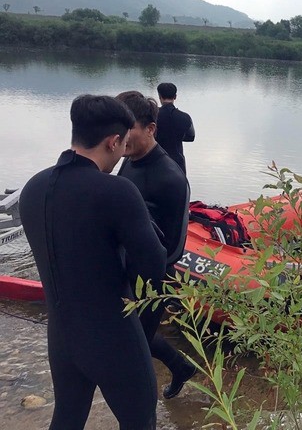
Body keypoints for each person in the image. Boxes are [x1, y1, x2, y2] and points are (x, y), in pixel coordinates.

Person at [19, 95, 166, 430]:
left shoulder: (33, 188)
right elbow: (154, 269)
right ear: (113, 141)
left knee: (68, 418)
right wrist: (140, 337)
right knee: (140, 422)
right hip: (113, 335)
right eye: (124, 144)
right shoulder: (117, 192)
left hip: (61, 336)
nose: (122, 153)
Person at [116, 91, 196, 399]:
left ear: (150, 129)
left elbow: (175, 247)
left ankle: (142, 405)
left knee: (136, 342)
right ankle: (181, 367)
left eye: (127, 128)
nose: (119, 137)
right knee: (139, 337)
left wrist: (143, 275)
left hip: (151, 279)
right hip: (125, 270)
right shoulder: (130, 160)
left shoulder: (171, 177)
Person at [155, 82, 195, 174]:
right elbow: (191, 137)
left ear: (159, 96)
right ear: (175, 96)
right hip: (177, 162)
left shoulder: (152, 115)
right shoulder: (185, 117)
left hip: (156, 160)